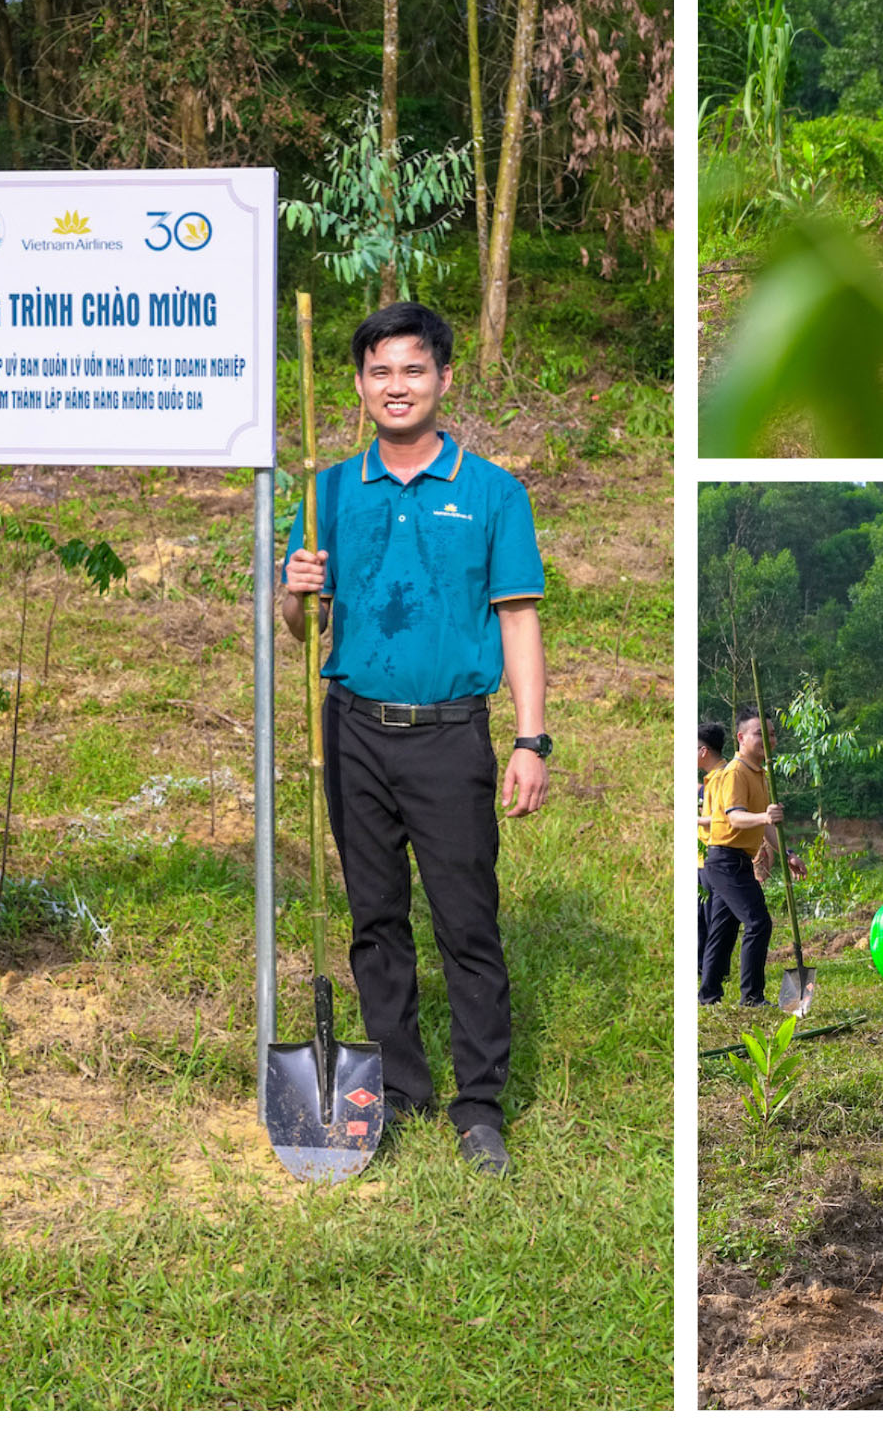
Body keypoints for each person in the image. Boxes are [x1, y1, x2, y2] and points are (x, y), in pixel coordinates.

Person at [282, 300, 548, 1178]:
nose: (397, 386)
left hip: (449, 737)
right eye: (380, 372)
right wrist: (295, 588)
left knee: (467, 922)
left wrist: (530, 739)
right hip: (352, 728)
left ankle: (479, 1106)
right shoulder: (326, 494)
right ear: (358, 386)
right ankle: (398, 1085)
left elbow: (517, 622)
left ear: (443, 378)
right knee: (376, 918)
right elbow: (298, 630)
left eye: (413, 369)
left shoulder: (492, 493)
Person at [697, 707, 795, 1007]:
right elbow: (736, 819)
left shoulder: (760, 774)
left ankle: (708, 995)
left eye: (772, 734)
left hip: (736, 859)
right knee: (758, 922)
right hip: (725, 859)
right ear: (741, 737)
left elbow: (764, 827)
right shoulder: (735, 773)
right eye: (759, 734)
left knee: (723, 931)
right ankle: (751, 996)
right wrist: (764, 815)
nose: (768, 739)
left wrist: (787, 854)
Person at [697, 721, 729, 964]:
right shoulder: (712, 778)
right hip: (704, 859)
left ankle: (708, 967)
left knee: (709, 920)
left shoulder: (721, 778)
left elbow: (722, 817)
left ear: (703, 751)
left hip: (713, 856)